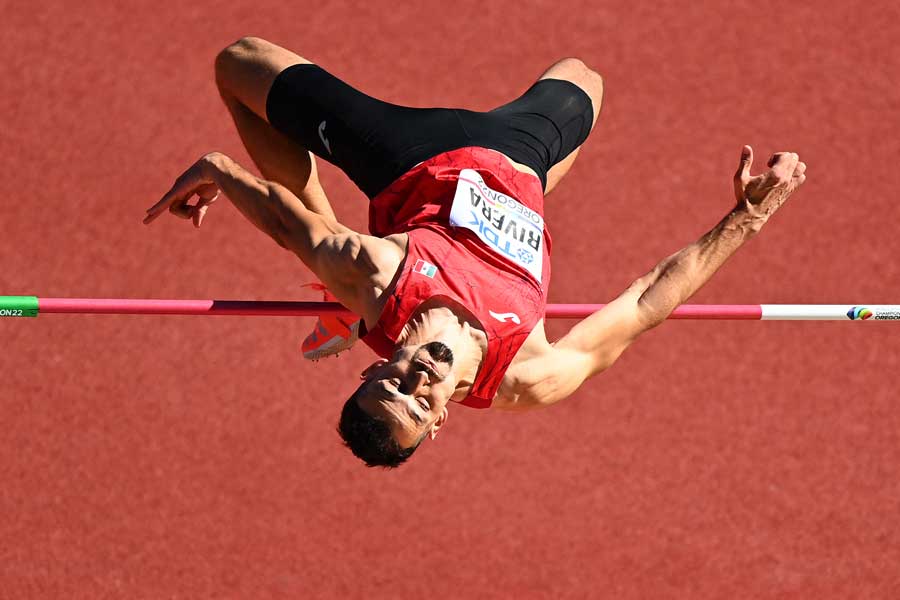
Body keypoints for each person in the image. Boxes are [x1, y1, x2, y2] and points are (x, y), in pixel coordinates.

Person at [144, 37, 807, 468]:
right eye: (422, 404)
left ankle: (334, 297)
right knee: (586, 77)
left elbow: (295, 229)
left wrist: (221, 170)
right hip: (521, 159)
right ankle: (530, 165)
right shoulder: (528, 374)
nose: (417, 383)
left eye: (396, 384)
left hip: (409, 152)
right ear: (438, 426)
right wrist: (746, 218)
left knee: (239, 64)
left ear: (373, 374)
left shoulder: (379, 278)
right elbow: (646, 303)